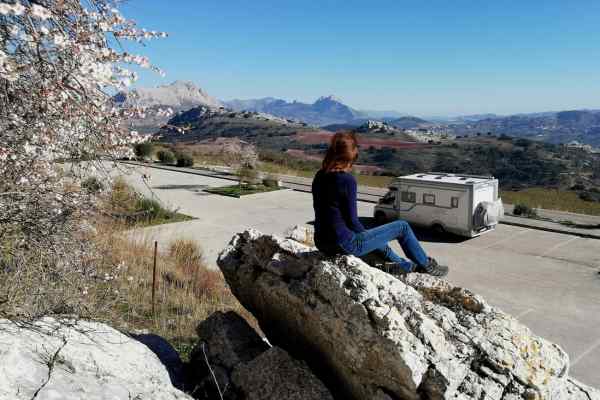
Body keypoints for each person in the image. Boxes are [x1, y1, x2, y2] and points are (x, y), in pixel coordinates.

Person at [311, 131, 449, 277]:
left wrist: (373, 239)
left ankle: (405, 266)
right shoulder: (347, 180)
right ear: (348, 160)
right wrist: (368, 236)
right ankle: (426, 265)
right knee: (402, 226)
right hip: (344, 244)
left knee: (379, 242)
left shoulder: (320, 175)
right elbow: (352, 222)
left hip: (322, 242)